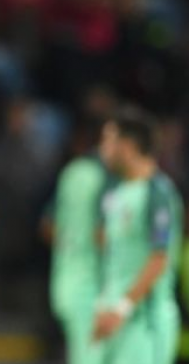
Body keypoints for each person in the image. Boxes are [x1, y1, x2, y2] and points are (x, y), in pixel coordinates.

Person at [93, 110, 183, 364]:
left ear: (129, 146)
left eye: (109, 141)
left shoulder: (158, 193)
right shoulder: (117, 192)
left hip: (144, 320)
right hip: (113, 318)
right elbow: (111, 255)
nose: (103, 148)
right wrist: (103, 305)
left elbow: (159, 258)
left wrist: (122, 308)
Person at [45, 119, 116, 364]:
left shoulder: (72, 172)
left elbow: (47, 227)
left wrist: (70, 246)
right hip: (92, 286)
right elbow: (103, 235)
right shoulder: (106, 176)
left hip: (64, 282)